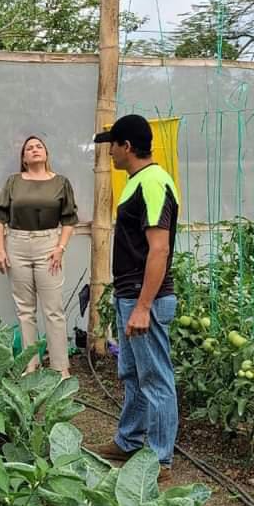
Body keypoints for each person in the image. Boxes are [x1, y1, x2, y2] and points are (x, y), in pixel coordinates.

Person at [90, 115, 180, 487]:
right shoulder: (137, 182)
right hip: (131, 295)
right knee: (132, 372)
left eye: (112, 145)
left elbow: (159, 249)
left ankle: (159, 459)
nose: (109, 152)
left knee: (156, 377)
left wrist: (143, 306)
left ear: (127, 146)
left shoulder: (154, 182)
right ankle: (128, 442)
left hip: (147, 300)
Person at [0, 136, 78, 380]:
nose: (34, 150)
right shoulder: (13, 182)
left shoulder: (61, 182)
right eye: (29, 148)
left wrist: (60, 247)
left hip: (49, 245)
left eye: (39, 146)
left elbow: (69, 219)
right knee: (25, 309)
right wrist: (0, 250)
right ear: (23, 158)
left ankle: (60, 368)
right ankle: (31, 366)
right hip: (17, 244)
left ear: (46, 153)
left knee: (53, 309)